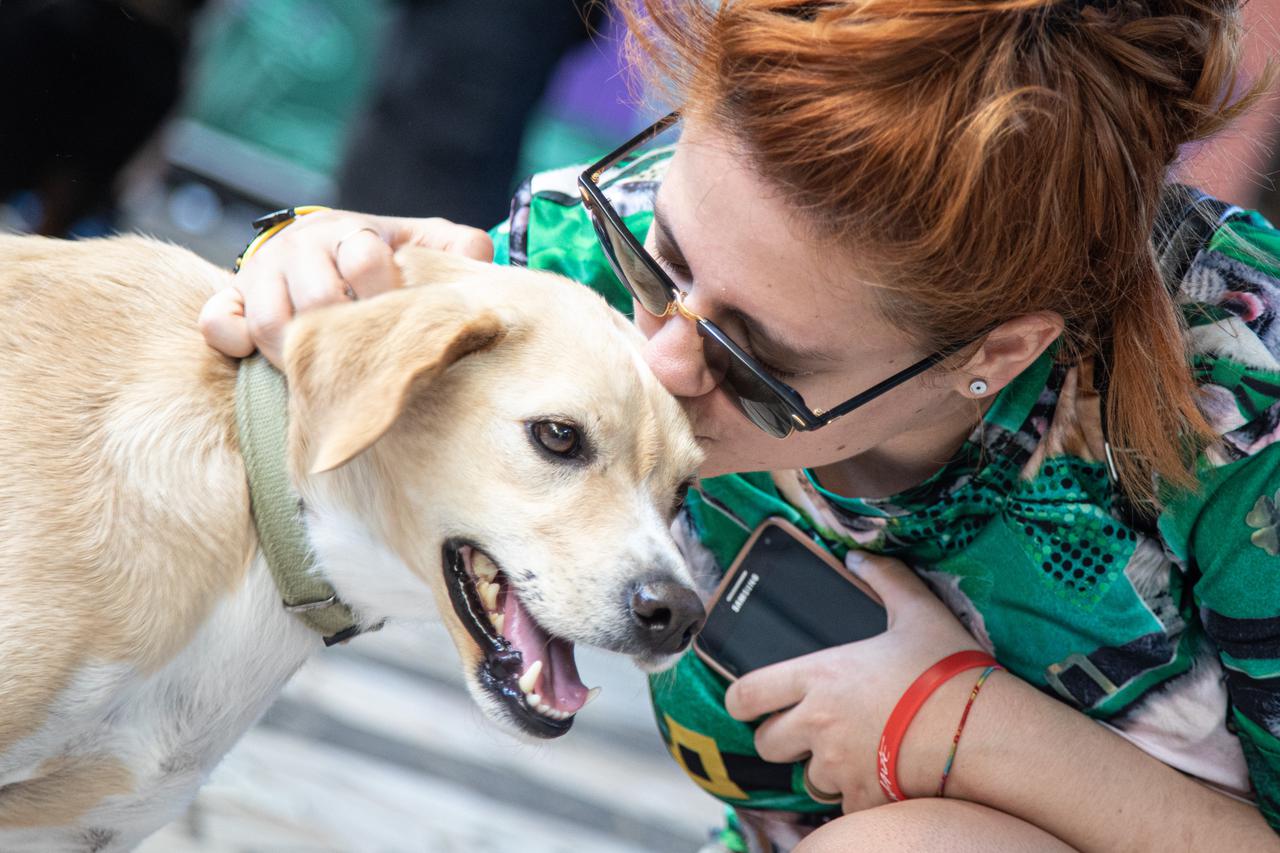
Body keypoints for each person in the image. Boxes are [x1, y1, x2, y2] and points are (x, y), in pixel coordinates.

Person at [199, 0, 1280, 849]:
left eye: (758, 359)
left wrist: (961, 728)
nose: (662, 358)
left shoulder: (1241, 423)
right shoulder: (587, 274)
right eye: (657, 256)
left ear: (993, 355)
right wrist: (302, 261)